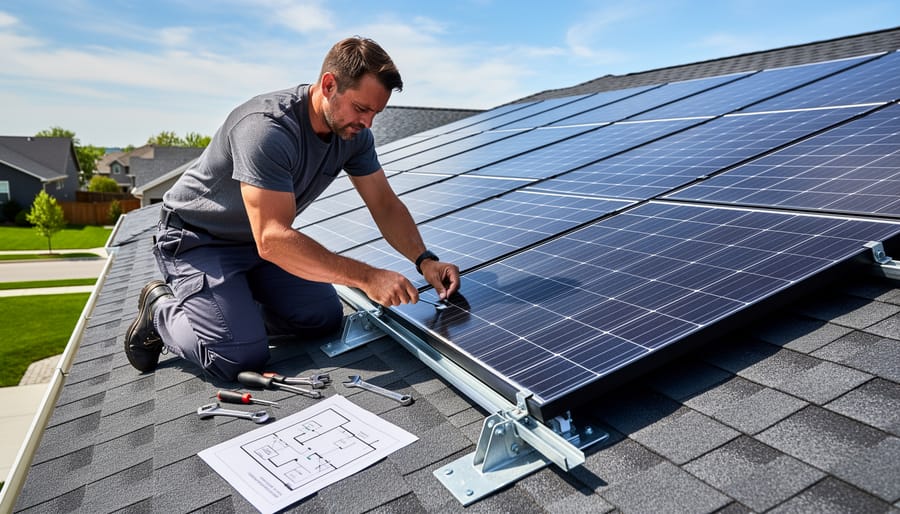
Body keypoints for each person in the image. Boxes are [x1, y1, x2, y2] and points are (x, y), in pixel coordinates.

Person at [124, 36, 460, 381]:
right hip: (198, 240)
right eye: (361, 108)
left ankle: (233, 313)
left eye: (376, 113)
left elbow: (384, 204)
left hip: (254, 243)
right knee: (238, 356)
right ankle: (161, 311)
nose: (368, 123)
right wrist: (367, 277)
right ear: (328, 85)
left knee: (323, 319)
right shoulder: (266, 129)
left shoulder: (354, 136)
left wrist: (425, 260)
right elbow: (272, 238)